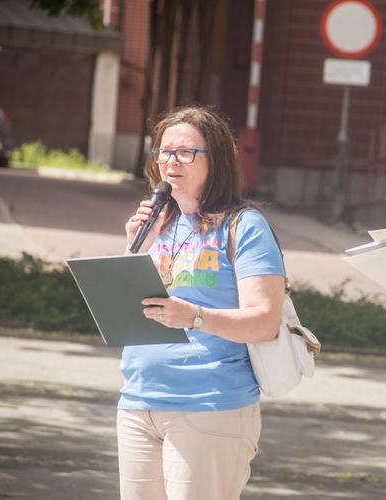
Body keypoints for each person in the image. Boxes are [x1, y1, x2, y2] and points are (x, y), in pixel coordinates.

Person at [120, 104, 285, 499]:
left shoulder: (243, 226)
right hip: (138, 400)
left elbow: (265, 321)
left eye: (186, 152)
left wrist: (193, 317)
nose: (170, 161)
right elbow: (132, 305)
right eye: (163, 151)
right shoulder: (157, 225)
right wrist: (133, 248)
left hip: (209, 405)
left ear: (217, 161)